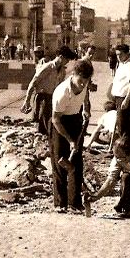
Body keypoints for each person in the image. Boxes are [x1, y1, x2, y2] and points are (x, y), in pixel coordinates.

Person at [50, 60, 93, 213]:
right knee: (60, 162)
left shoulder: (85, 83)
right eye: (80, 81)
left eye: (85, 81)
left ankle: (74, 203)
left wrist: (86, 108)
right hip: (60, 122)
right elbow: (55, 119)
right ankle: (60, 203)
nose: (83, 85)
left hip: (75, 119)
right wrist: (69, 140)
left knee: (76, 163)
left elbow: (86, 95)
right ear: (74, 75)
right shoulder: (62, 93)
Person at [21, 45, 77, 135]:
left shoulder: (62, 71)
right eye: (66, 60)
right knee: (42, 125)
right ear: (61, 57)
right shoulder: (48, 67)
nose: (67, 62)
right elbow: (33, 82)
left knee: (51, 124)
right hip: (43, 98)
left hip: (53, 98)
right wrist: (27, 101)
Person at [110, 44, 130, 146]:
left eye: (120, 54)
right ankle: (123, 149)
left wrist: (126, 100)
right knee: (120, 125)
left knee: (124, 126)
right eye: (117, 54)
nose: (118, 57)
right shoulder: (121, 64)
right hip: (119, 98)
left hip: (125, 98)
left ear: (127, 53)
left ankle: (125, 150)